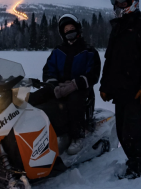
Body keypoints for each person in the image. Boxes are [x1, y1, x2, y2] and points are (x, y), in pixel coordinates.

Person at [100, 0, 141, 179]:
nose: (117, 4)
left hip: (137, 91)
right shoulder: (117, 28)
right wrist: (105, 85)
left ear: (132, 2)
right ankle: (132, 161)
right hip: (120, 90)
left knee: (134, 132)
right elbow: (110, 59)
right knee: (122, 132)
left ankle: (138, 165)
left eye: (121, 0)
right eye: (114, 0)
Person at [29, 14, 101, 155]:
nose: (69, 31)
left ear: (78, 29)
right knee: (34, 98)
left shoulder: (89, 51)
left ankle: (77, 136)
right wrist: (54, 85)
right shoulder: (58, 51)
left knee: (74, 101)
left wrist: (74, 84)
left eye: (72, 28)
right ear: (62, 33)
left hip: (80, 89)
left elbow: (93, 74)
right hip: (57, 87)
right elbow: (49, 69)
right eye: (66, 29)